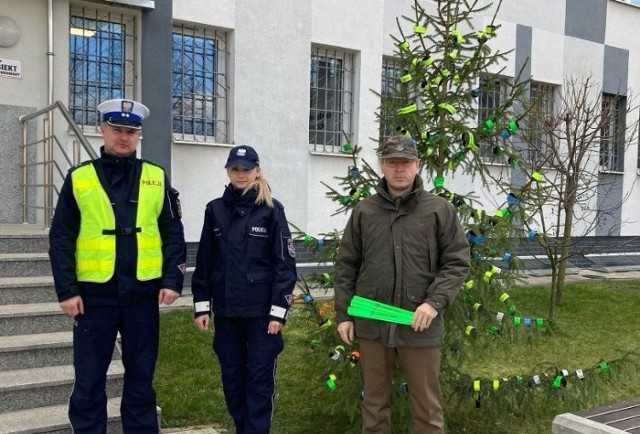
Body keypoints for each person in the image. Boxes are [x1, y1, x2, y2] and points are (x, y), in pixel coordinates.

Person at [48, 98, 187, 433]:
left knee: (141, 377)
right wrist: (67, 289)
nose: (123, 137)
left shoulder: (156, 176)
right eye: (117, 130)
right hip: (94, 296)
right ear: (102, 131)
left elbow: (172, 232)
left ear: (138, 135)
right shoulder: (80, 178)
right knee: (89, 379)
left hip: (143, 294)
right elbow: (61, 237)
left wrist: (172, 280)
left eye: (131, 131)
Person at [334, 135, 471, 434]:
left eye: (406, 162)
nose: (399, 169)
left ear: (417, 165)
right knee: (373, 405)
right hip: (371, 326)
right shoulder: (364, 212)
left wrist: (433, 302)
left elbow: (457, 262)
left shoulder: (439, 210)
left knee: (427, 410)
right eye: (392, 162)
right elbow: (346, 265)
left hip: (419, 325)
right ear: (382, 166)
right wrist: (344, 315)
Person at [191, 145, 297, 434]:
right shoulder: (215, 210)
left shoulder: (272, 210)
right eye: (235, 169)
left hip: (262, 316)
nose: (241, 174)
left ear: (257, 171)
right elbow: (205, 261)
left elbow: (284, 264)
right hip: (227, 312)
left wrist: (278, 312)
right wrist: (202, 305)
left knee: (260, 381)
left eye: (247, 169)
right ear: (228, 171)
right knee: (232, 379)